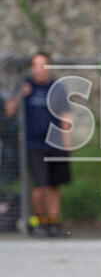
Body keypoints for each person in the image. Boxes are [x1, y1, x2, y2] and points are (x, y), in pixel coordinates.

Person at [4, 52, 71, 237]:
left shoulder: (57, 88)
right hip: (34, 144)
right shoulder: (25, 85)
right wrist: (20, 94)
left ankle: (53, 222)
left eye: (43, 65)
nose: (40, 69)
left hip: (55, 143)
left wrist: (67, 142)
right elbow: (9, 111)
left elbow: (65, 116)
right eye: (36, 65)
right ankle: (39, 221)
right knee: (40, 185)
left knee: (54, 185)